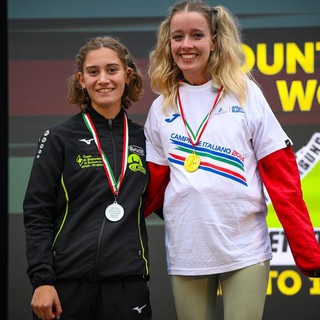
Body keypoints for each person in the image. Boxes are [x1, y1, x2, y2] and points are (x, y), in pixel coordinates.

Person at [143, 1, 320, 319]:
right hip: (188, 250)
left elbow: (283, 178)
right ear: (167, 44)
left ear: (214, 39)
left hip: (245, 247)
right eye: (177, 36)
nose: (186, 45)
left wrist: (307, 251)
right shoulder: (161, 108)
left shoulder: (245, 93)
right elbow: (153, 185)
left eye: (196, 35)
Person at [23, 36, 152, 320]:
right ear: (81, 79)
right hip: (66, 284)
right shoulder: (58, 137)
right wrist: (42, 280)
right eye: (93, 72)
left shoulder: (147, 137)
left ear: (127, 75)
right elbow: (37, 212)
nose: (103, 79)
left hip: (127, 284)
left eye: (112, 69)